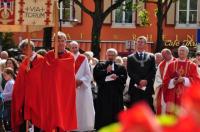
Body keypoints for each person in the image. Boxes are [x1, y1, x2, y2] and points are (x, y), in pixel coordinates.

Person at [12, 39, 44, 132]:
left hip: (38, 95)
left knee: (37, 122)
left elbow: (42, 77)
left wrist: (31, 74)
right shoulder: (25, 62)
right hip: (26, 96)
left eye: (25, 49)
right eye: (22, 50)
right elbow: (20, 79)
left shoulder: (41, 60)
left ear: (30, 48)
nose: (24, 52)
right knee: (25, 121)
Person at [93, 48, 127, 130]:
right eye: (109, 55)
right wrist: (105, 71)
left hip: (116, 94)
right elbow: (96, 76)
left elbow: (124, 78)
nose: (111, 57)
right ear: (106, 55)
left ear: (116, 56)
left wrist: (117, 77)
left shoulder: (120, 67)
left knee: (116, 113)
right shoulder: (100, 65)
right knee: (103, 112)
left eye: (113, 55)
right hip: (104, 93)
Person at [163, 46, 200, 113]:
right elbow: (165, 80)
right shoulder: (171, 64)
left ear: (187, 53)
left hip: (186, 95)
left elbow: (196, 81)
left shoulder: (192, 65)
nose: (181, 52)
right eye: (180, 50)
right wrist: (173, 81)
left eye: (183, 51)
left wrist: (184, 80)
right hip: (173, 95)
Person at [69, 41, 95, 131]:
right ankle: (70, 126)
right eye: (72, 47)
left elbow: (88, 74)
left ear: (78, 47)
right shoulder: (67, 58)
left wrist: (81, 81)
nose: (74, 49)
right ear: (69, 48)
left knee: (82, 108)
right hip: (70, 88)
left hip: (82, 88)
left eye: (76, 47)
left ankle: (83, 127)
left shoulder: (83, 58)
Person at [127, 36, 156, 112]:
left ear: (145, 44)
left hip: (147, 87)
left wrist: (146, 80)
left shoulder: (151, 56)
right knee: (134, 108)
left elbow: (153, 70)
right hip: (135, 87)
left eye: (142, 42)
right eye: (138, 42)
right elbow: (130, 71)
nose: (139, 44)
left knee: (148, 108)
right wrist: (139, 81)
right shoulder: (130, 57)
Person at [153, 48, 175, 114]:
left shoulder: (176, 62)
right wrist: (161, 83)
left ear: (169, 54)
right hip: (163, 88)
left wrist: (170, 83)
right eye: (163, 56)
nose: (163, 58)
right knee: (162, 106)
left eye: (164, 56)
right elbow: (158, 76)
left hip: (173, 88)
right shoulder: (161, 64)